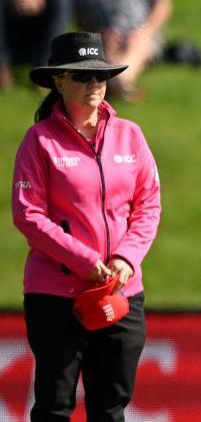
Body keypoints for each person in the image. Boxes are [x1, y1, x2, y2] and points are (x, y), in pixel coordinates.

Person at [11, 31, 161, 421]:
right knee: (55, 404)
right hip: (57, 293)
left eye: (100, 76)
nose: (93, 84)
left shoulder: (130, 135)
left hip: (121, 289)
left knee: (111, 406)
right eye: (81, 76)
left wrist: (126, 259)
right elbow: (28, 214)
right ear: (59, 81)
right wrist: (85, 260)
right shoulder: (39, 140)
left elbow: (148, 205)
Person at [71, 0, 172, 100]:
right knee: (107, 51)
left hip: (141, 32)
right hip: (107, 36)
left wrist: (145, 30)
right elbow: (79, 18)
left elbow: (163, 3)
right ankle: (118, 84)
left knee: (136, 45)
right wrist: (100, 34)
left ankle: (119, 80)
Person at [0, 0, 68, 89]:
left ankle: (46, 68)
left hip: (37, 38)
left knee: (59, 0)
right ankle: (2, 68)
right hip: (10, 36)